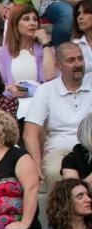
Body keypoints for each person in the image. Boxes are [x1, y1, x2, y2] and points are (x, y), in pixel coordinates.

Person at [25, 42, 92, 183]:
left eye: (80, 59)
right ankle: (64, 205)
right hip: (59, 152)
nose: (78, 64)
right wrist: (36, 166)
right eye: (71, 60)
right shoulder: (46, 91)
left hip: (90, 149)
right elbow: (30, 133)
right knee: (55, 171)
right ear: (58, 66)